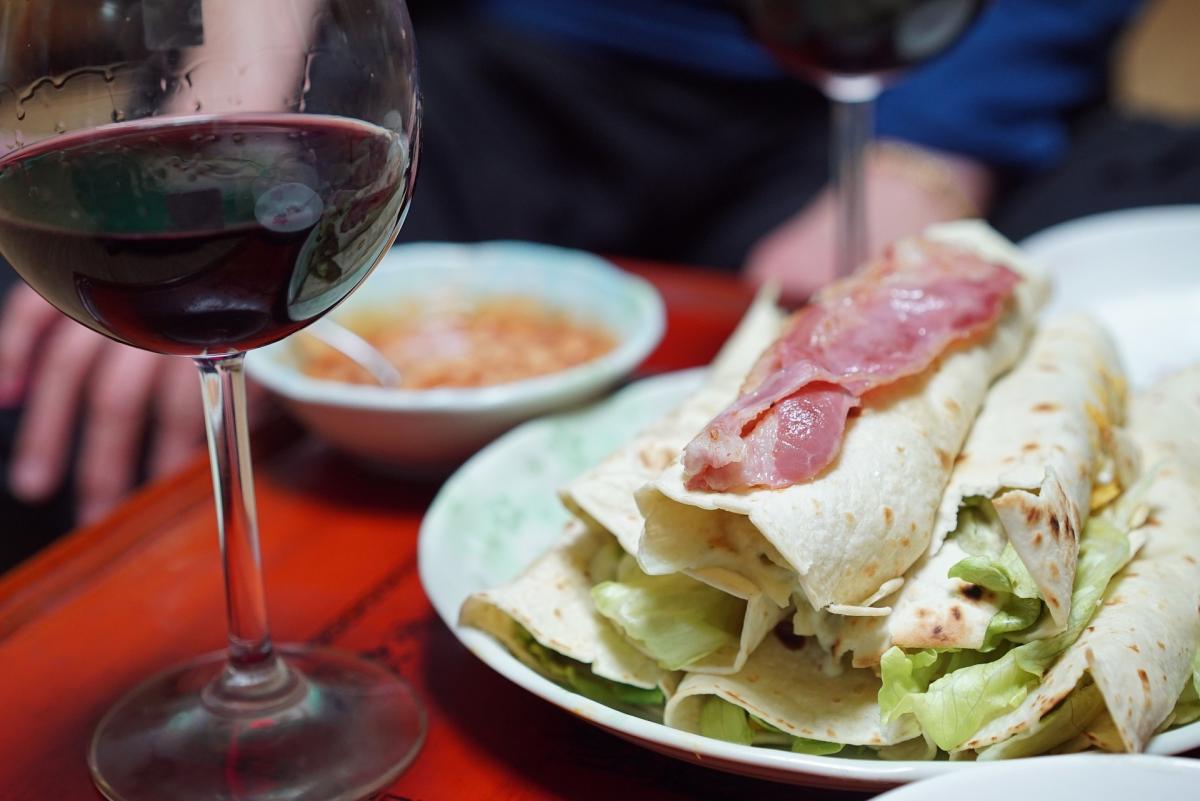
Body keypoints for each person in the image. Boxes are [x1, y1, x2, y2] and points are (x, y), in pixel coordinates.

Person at [0, 0, 1143, 562]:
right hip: (530, 59)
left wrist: (935, 149)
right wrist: (227, 145)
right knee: (45, 379)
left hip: (901, 82)